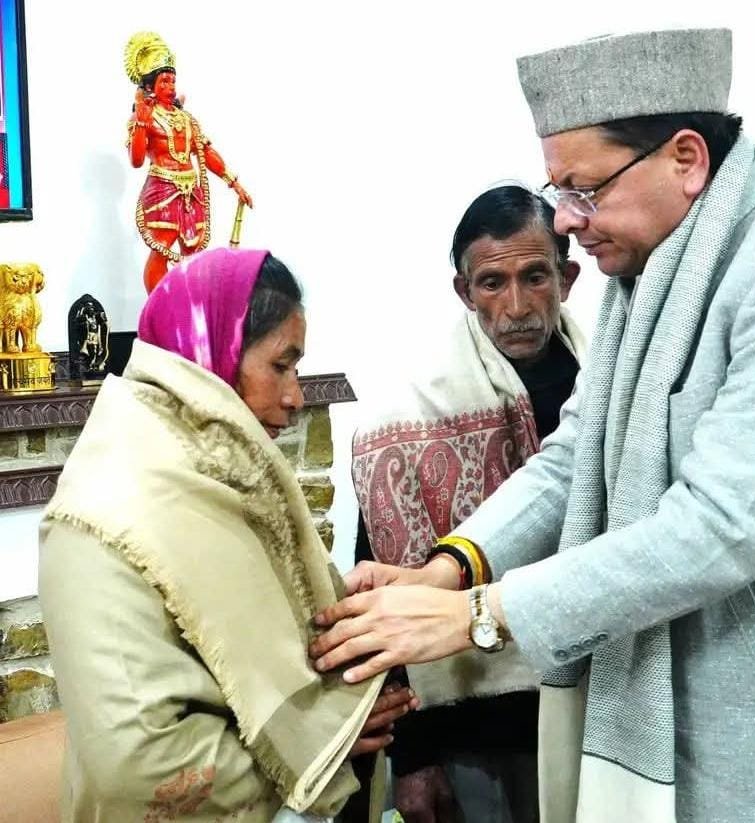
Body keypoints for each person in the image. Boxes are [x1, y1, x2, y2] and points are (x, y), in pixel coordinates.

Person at [310, 28, 755, 822]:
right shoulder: (648, 277)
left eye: (583, 190)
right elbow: (574, 456)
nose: (566, 221)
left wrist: (480, 616)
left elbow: (716, 528)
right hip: (710, 723)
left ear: (686, 159)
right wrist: (451, 568)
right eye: (559, 190)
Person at [39, 248, 417, 822]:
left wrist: (341, 601)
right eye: (281, 366)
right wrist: (316, 748)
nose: (295, 397)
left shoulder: (220, 476)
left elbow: (247, 638)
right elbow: (135, 765)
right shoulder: (103, 513)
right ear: (210, 352)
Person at [352, 184, 584, 822]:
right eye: (492, 283)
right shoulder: (407, 423)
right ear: (464, 291)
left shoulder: (607, 385)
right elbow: (385, 596)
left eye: (535, 276)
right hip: (473, 728)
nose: (517, 306)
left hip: (599, 698)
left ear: (566, 278)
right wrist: (414, 758)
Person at [124, 32, 253, 293]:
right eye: (164, 81)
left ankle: (189, 304)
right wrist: (142, 122)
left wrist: (234, 183)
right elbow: (136, 160)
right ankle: (158, 306)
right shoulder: (145, 118)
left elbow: (205, 151)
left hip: (191, 193)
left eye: (173, 80)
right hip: (162, 190)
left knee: (193, 252)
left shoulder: (186, 119)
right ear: (150, 86)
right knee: (161, 248)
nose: (170, 86)